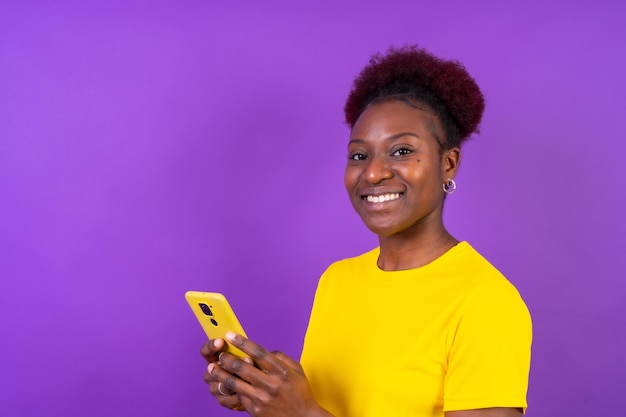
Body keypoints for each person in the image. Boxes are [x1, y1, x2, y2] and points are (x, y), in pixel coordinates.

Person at [200, 45, 532, 417]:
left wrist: (305, 414)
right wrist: (264, 394)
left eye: (402, 150)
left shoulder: (485, 301)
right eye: (359, 155)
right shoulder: (337, 280)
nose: (373, 173)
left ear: (448, 164)